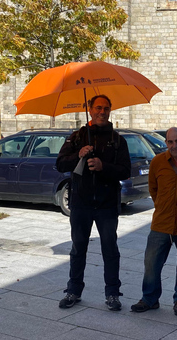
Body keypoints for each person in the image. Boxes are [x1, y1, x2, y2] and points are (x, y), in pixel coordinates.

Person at [56, 95, 131, 311]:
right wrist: (77, 155)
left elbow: (126, 171)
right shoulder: (77, 137)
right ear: (90, 109)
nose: (102, 112)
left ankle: (113, 294)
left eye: (106, 108)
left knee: (110, 249)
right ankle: (73, 291)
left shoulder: (118, 140)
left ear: (110, 110)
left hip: (107, 204)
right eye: (98, 107)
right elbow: (60, 164)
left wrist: (102, 166)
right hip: (81, 203)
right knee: (78, 248)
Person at [130, 127, 177, 316]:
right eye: (170, 142)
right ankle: (149, 298)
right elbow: (153, 189)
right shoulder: (158, 162)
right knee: (151, 263)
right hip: (161, 223)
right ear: (166, 143)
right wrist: (164, 207)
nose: (175, 145)